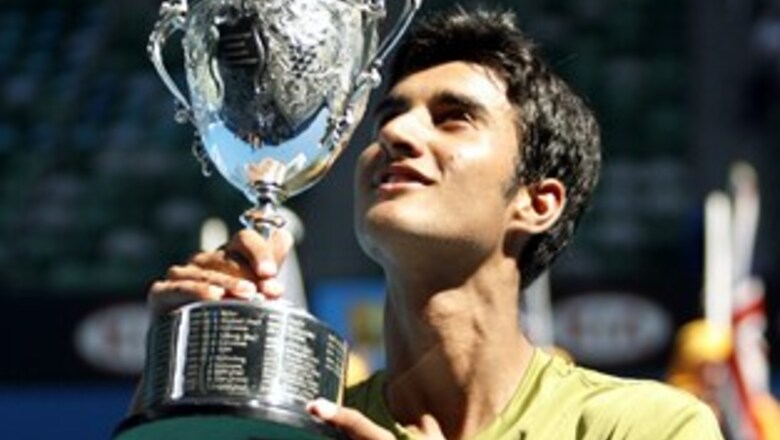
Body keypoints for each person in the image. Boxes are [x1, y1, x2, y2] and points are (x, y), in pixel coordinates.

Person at [144, 6, 724, 440]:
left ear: (536, 202)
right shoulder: (300, 429)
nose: (396, 134)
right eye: (388, 118)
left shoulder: (645, 427)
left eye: (453, 118)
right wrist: (175, 386)